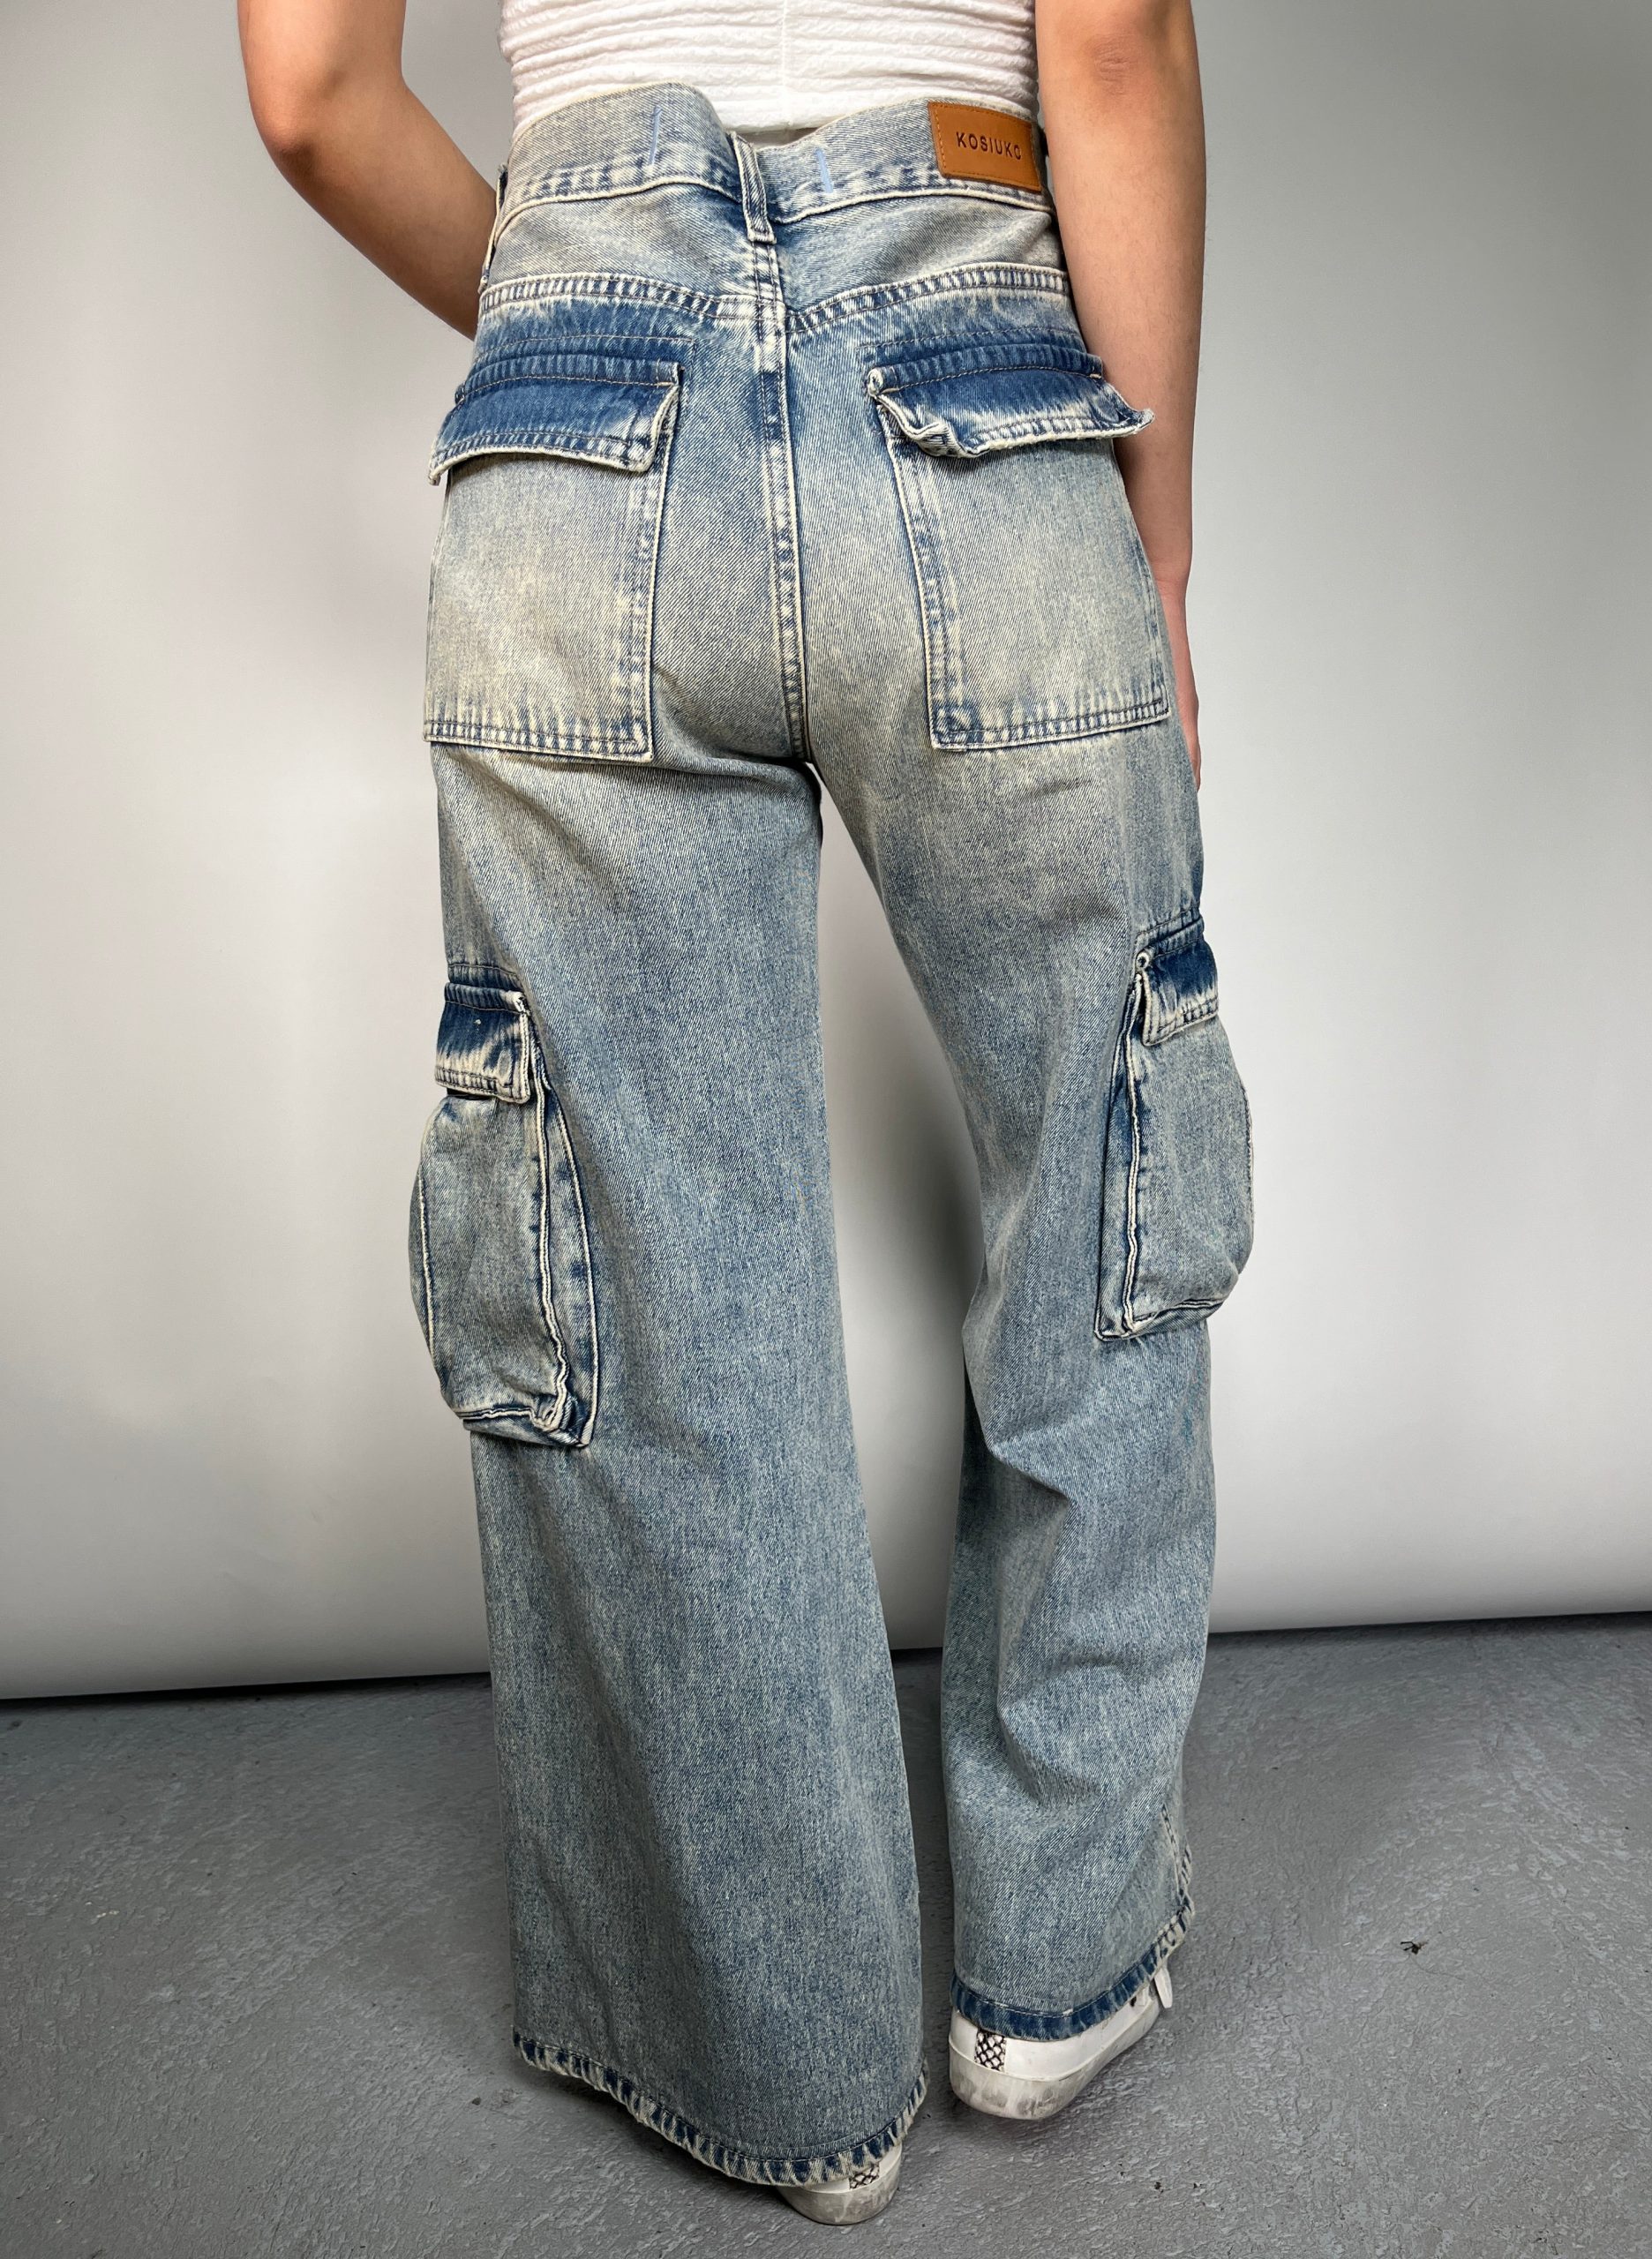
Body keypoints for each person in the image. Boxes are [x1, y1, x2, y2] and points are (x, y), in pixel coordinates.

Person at [241, 0, 1253, 2225]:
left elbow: (311, 97)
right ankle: (1057, 1970)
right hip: (976, 360)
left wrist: (597, 310)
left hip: (583, 406)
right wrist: (1153, 539)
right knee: (1101, 1170)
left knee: (649, 1272)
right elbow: (1109, 34)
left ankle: (781, 2066)